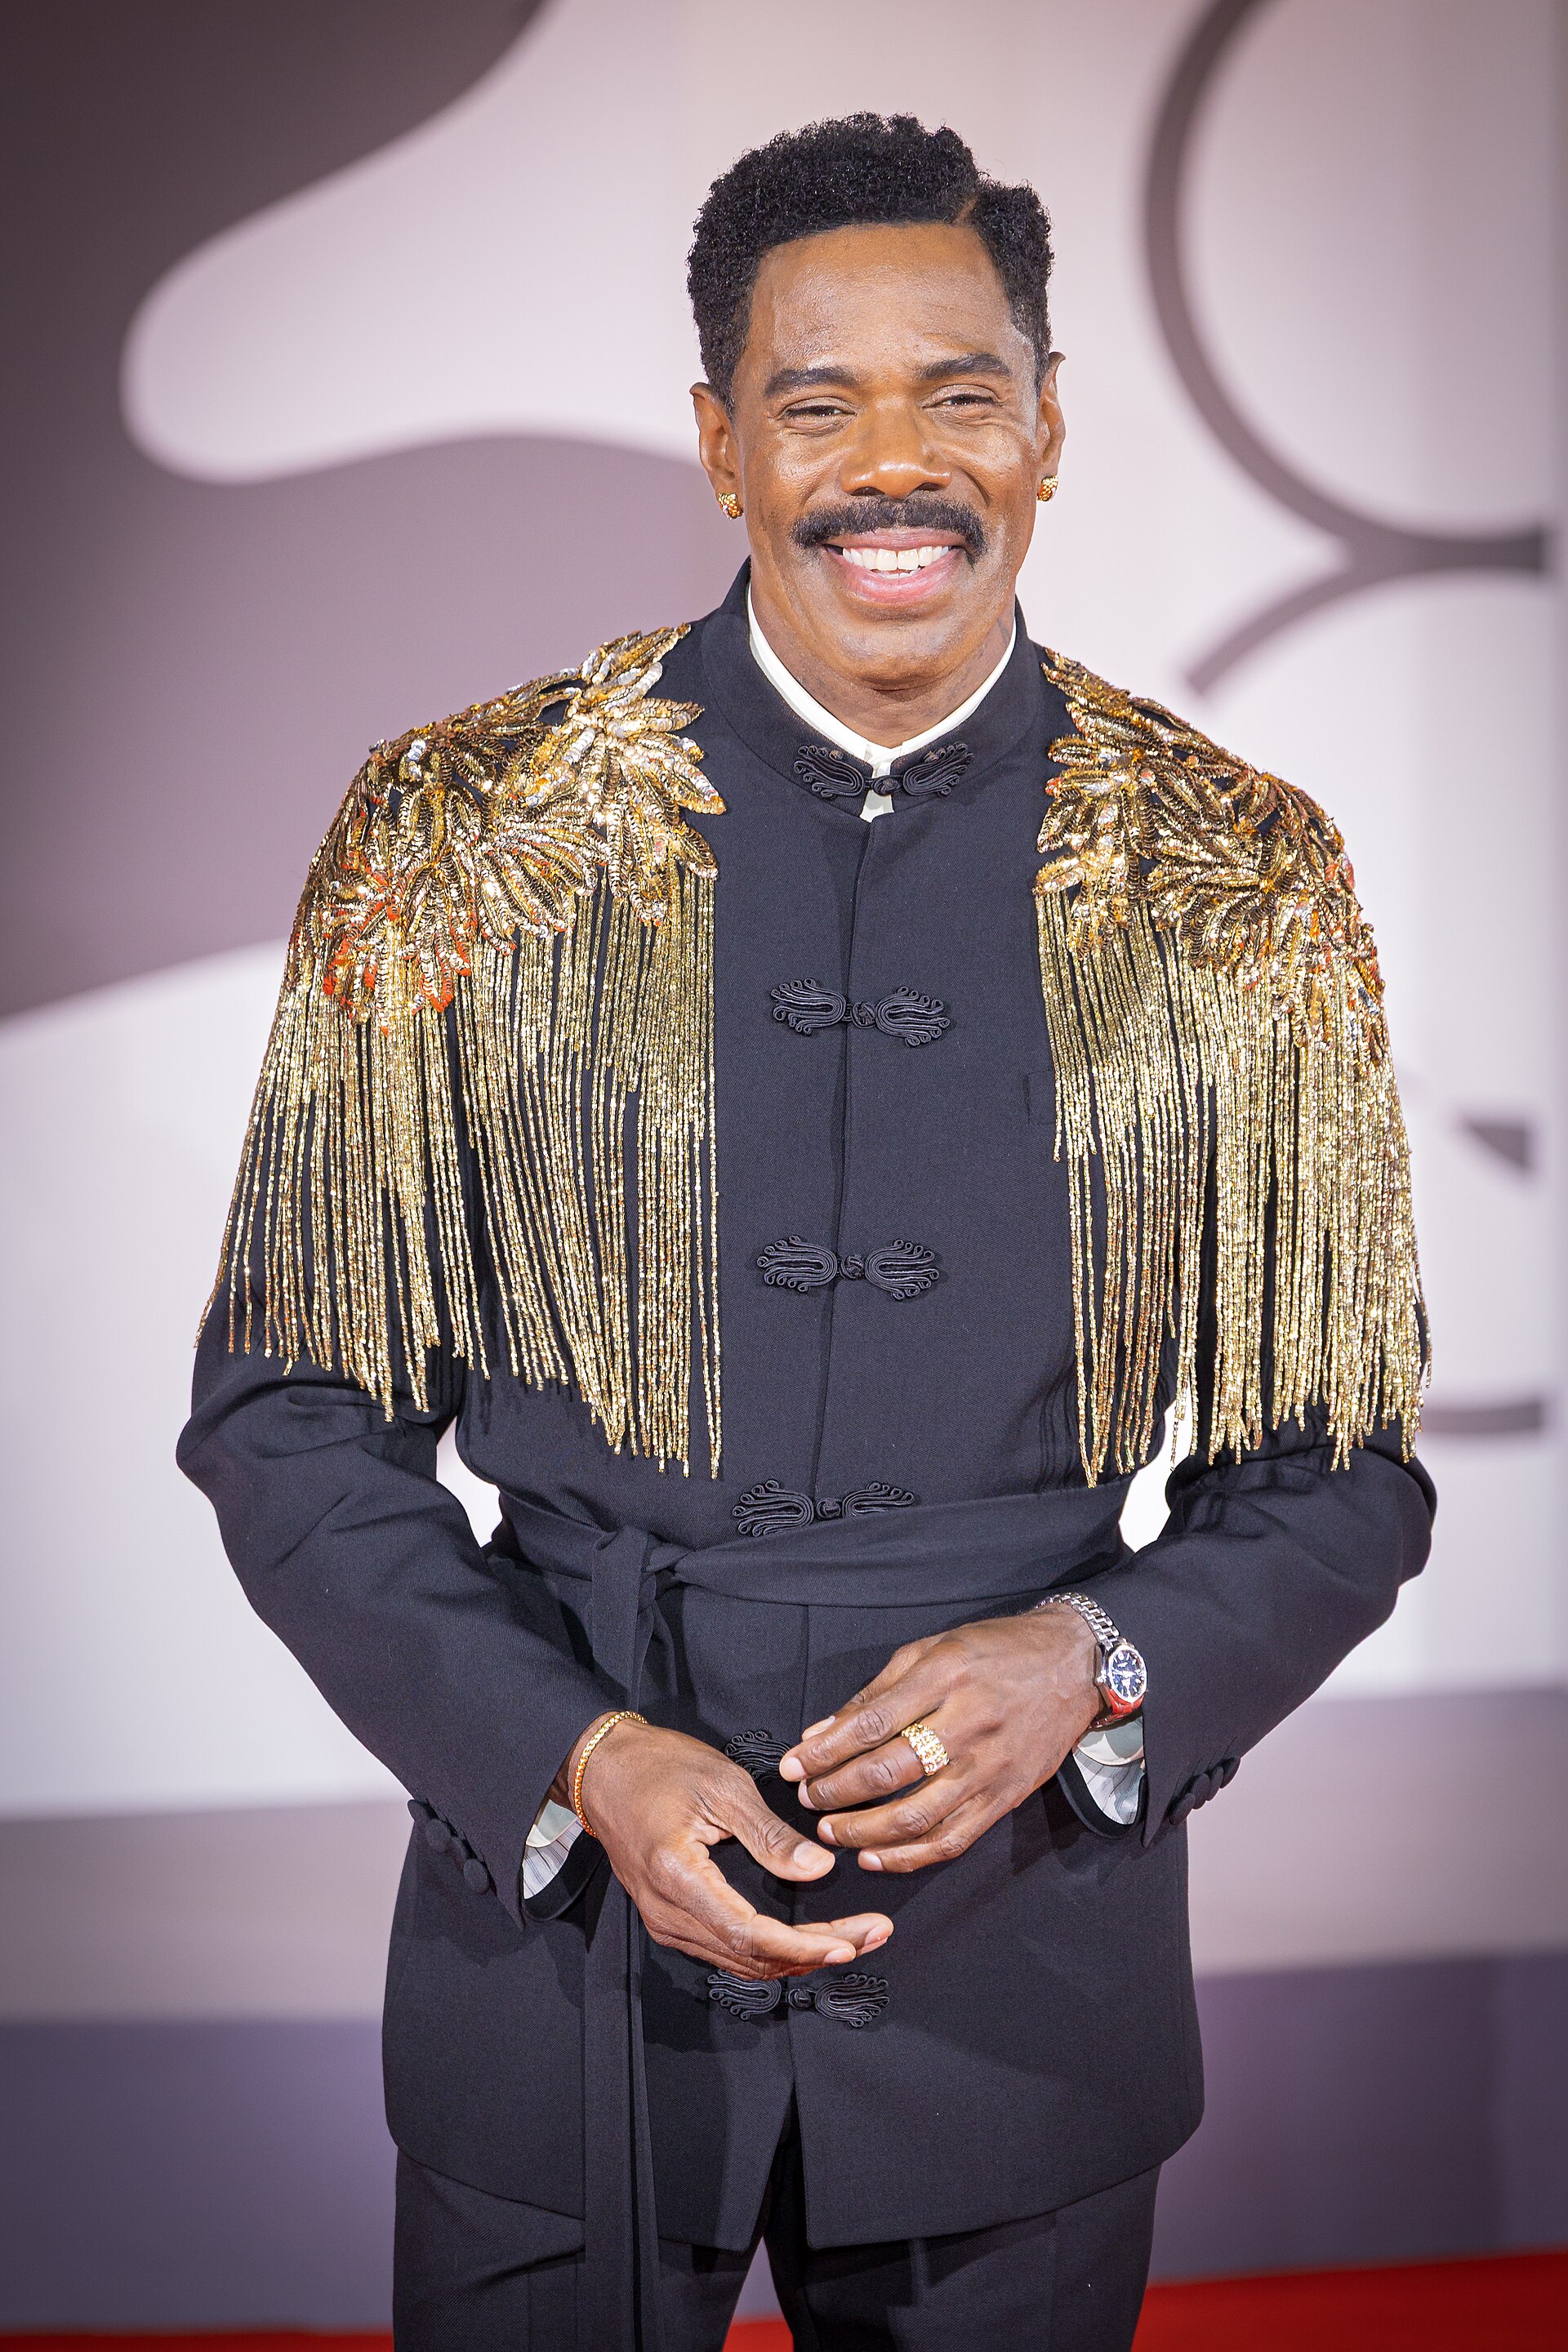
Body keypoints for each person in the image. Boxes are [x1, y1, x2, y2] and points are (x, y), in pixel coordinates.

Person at [179, 114, 1433, 2351]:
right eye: (818, 400)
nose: (897, 463)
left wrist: (1095, 1666)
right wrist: (575, 1755)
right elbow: (290, 1419)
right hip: (552, 1960)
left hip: (1022, 1978)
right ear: (719, 445)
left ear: (1045, 432)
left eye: (961, 393)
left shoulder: (1236, 879)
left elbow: (1336, 1474)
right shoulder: (462, 831)